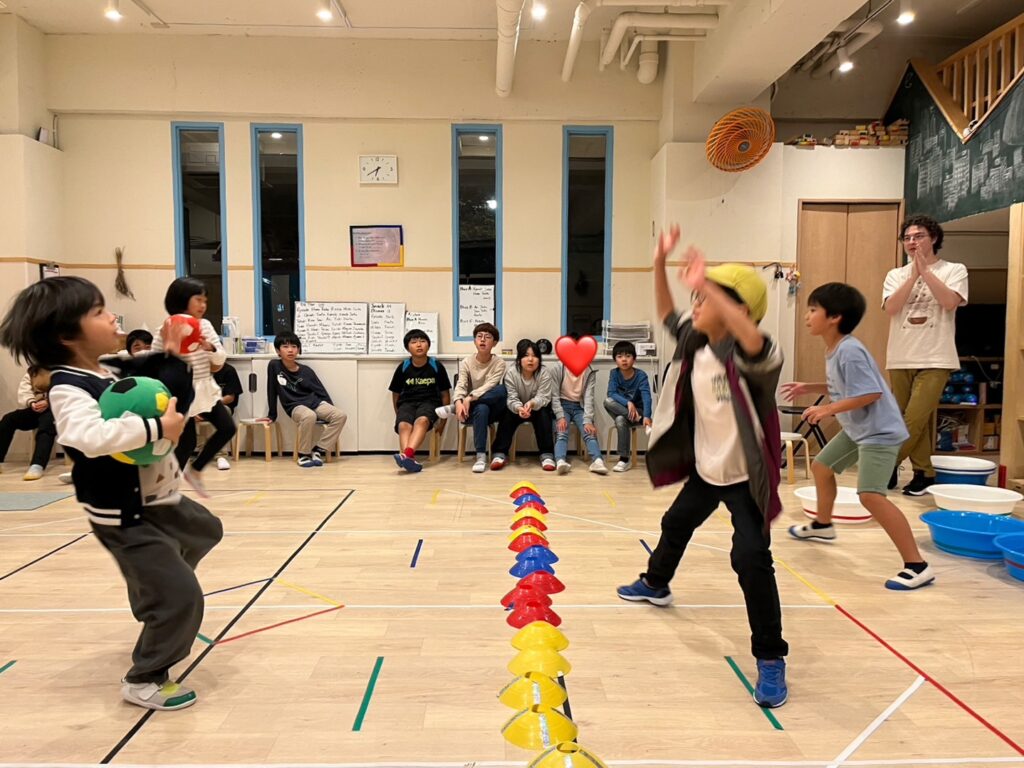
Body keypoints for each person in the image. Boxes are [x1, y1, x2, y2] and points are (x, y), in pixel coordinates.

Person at [0, 276, 222, 711]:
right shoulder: (67, 386)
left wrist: (173, 352)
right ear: (67, 335)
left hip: (157, 496)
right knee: (181, 598)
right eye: (99, 312)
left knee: (206, 530)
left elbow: (153, 375)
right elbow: (86, 436)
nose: (112, 316)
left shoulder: (106, 368)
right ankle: (145, 678)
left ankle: (152, 589)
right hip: (123, 514)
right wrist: (158, 427)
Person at [617, 225, 789, 709]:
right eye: (696, 296)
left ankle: (771, 657)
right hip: (706, 470)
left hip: (745, 479)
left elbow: (753, 338)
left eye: (705, 298)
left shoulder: (756, 356)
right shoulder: (694, 342)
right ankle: (656, 582)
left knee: (751, 559)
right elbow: (667, 312)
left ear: (739, 311)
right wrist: (658, 263)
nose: (695, 303)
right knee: (676, 522)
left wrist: (708, 284)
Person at [784, 283, 934, 590]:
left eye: (813, 310)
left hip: (879, 432)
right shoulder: (836, 349)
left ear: (834, 317)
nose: (807, 316)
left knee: (870, 496)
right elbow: (846, 387)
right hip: (858, 428)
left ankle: (917, 565)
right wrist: (811, 387)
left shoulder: (849, 351)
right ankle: (823, 525)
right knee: (822, 467)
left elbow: (871, 393)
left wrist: (827, 410)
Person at [883, 214, 968, 496]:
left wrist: (926, 273)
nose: (912, 242)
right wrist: (913, 275)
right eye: (907, 238)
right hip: (900, 355)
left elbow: (949, 302)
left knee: (915, 418)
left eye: (918, 236)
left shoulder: (954, 269)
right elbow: (891, 308)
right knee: (906, 418)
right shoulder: (895, 275)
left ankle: (885, 464)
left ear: (934, 238)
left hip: (936, 356)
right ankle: (924, 473)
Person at [151, 278, 236, 496]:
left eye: (205, 300)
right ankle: (166, 488)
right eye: (198, 299)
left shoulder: (204, 325)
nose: (203, 305)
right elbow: (156, 363)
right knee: (186, 443)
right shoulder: (164, 328)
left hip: (205, 389)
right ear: (181, 300)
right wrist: (172, 347)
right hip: (179, 392)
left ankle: (195, 470)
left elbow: (220, 359)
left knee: (227, 427)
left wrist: (208, 347)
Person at [267, 331, 347, 467]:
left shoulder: (306, 371)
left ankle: (319, 450)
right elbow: (271, 389)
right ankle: (303, 454)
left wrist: (329, 408)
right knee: (309, 416)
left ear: (298, 349)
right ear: (278, 351)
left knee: (340, 415)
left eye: (294, 346)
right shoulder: (274, 366)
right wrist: (272, 415)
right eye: (285, 347)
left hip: (314, 402)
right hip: (294, 406)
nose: (290, 350)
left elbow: (320, 391)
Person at [435, 322, 507, 473]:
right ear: (474, 341)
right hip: (471, 412)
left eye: (487, 337)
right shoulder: (467, 362)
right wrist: (458, 401)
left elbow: (489, 386)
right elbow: (461, 384)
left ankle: (453, 409)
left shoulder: (499, 363)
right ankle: (480, 456)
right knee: (482, 408)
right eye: (479, 336)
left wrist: (468, 399)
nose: (482, 340)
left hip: (492, 410)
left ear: (494, 343)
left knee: (501, 390)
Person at [388, 329, 451, 473]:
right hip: (407, 403)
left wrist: (443, 422)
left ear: (428, 345)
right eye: (414, 342)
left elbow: (445, 394)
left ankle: (406, 455)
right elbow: (395, 394)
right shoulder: (403, 367)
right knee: (403, 424)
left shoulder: (436, 366)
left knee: (422, 421)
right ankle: (408, 458)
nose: (419, 345)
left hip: (430, 402)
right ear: (407, 347)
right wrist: (398, 413)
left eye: (422, 341)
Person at [489, 339, 556, 471]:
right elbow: (511, 397)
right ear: (519, 359)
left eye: (534, 356)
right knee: (507, 414)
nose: (530, 359)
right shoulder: (511, 373)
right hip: (517, 407)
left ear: (539, 359)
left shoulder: (544, 373)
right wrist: (519, 407)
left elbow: (544, 397)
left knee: (544, 414)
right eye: (526, 355)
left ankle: (547, 455)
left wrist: (532, 403)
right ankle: (499, 454)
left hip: (537, 407)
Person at [550, 346, 607, 475]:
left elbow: (589, 397)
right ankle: (560, 461)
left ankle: (598, 461)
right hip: (562, 405)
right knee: (561, 431)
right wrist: (560, 416)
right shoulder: (557, 368)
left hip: (579, 406)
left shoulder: (589, 371)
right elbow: (554, 395)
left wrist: (588, 420)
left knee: (589, 432)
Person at [604, 340, 653, 472]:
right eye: (619, 356)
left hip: (639, 411)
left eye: (628, 356)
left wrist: (647, 416)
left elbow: (646, 397)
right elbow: (611, 393)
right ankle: (638, 420)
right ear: (615, 360)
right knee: (608, 401)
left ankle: (624, 459)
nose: (624, 359)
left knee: (620, 419)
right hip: (626, 410)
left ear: (634, 359)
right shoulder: (614, 373)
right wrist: (628, 402)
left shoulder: (641, 375)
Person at [0, 366, 56, 480]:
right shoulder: (33, 371)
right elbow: (25, 390)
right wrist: (32, 403)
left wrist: (48, 402)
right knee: (8, 419)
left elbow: (69, 392)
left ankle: (37, 465)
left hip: (56, 410)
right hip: (36, 408)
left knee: (46, 424)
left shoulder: (64, 368)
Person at [195, 362, 243, 471]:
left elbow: (230, 397)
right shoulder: (196, 370)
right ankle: (192, 453)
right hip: (199, 406)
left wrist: (212, 404)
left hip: (222, 406)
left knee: (220, 414)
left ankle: (220, 455)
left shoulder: (229, 370)